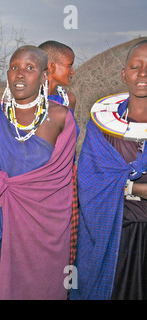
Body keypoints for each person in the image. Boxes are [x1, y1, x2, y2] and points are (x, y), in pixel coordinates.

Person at [0, 45, 76, 300]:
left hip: (42, 230)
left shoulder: (60, 117)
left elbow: (60, 184)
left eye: (29, 68)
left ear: (43, 76)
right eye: (14, 67)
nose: (19, 74)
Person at [70, 39, 147, 300]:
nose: (142, 73)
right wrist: (135, 187)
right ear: (124, 74)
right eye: (135, 66)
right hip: (114, 234)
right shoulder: (102, 125)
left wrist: (121, 186)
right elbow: (89, 179)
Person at [39, 40, 79, 267]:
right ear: (52, 67)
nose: (73, 71)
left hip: (65, 184)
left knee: (62, 253)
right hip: (36, 188)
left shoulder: (68, 100)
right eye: (69, 65)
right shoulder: (24, 102)